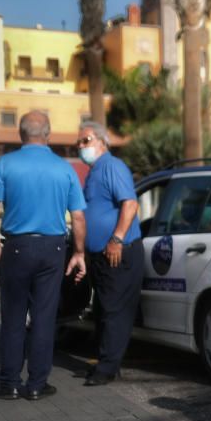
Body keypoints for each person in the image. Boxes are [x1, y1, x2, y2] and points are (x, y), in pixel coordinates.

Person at [0, 111, 87, 401]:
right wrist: (78, 252)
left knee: (14, 317)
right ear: (48, 134)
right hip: (52, 248)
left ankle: (10, 383)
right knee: (44, 317)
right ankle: (38, 383)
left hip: (16, 247)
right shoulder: (64, 168)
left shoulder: (5, 164)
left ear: (21, 134)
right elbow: (78, 217)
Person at [76, 121, 144, 386]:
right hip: (101, 256)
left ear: (102, 142)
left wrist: (116, 239)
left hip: (119, 252)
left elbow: (130, 203)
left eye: (86, 140)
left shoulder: (112, 167)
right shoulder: (94, 172)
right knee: (104, 310)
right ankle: (106, 363)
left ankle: (106, 369)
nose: (81, 147)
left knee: (115, 312)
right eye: (79, 143)